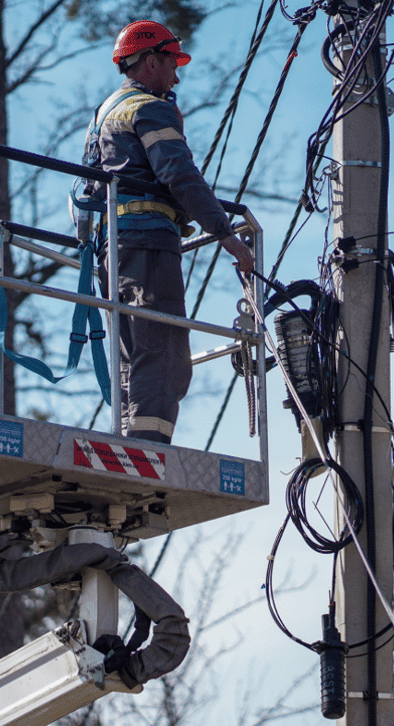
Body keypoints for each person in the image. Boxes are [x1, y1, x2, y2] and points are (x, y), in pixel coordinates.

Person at [82, 20, 254, 444]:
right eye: (172, 63)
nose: (177, 76)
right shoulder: (148, 107)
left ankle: (130, 444)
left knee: (133, 355)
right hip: (148, 247)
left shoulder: (104, 113)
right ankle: (149, 453)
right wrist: (225, 234)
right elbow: (178, 173)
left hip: (113, 250)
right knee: (164, 352)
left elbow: (89, 188)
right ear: (152, 60)